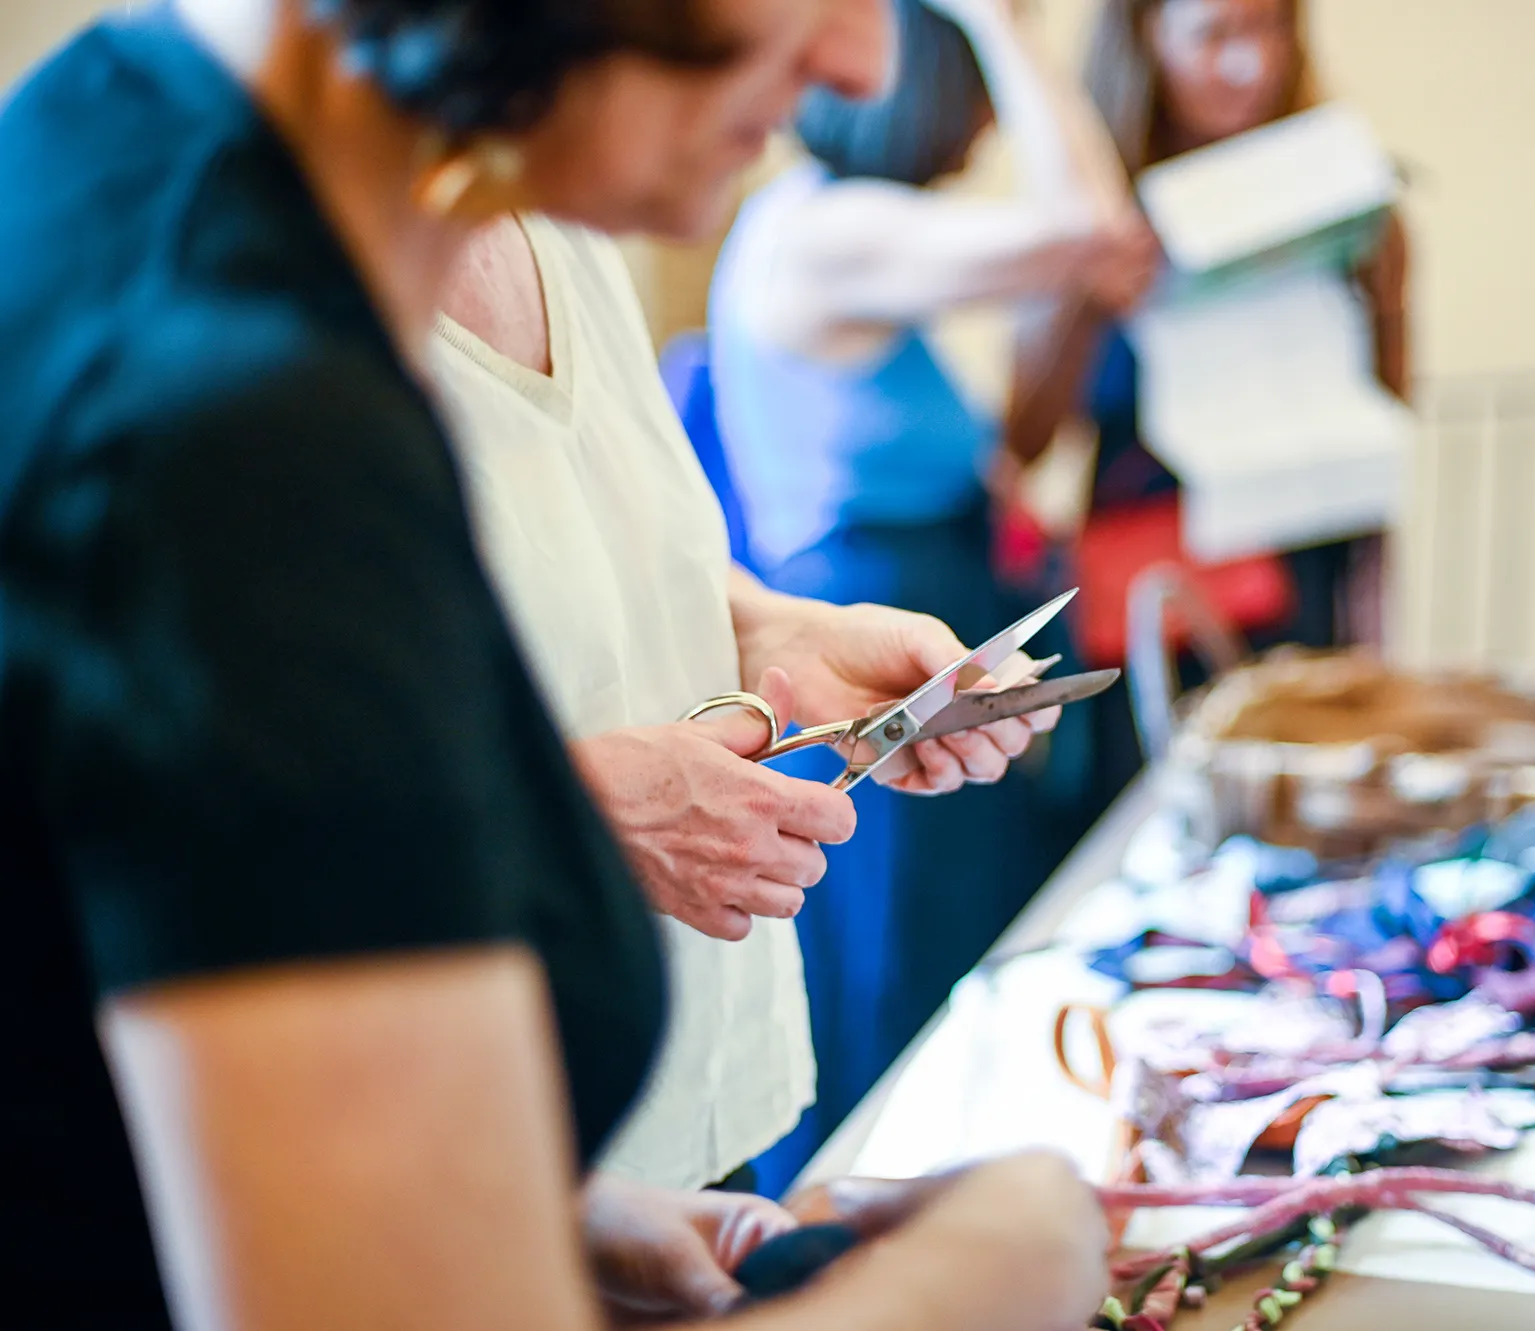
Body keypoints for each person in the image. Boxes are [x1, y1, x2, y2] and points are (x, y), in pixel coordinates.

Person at [0, 0, 1108, 1326]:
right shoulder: (230, 418)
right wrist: (997, 1271)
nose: (862, 63)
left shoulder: (184, 139)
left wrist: (566, 1212)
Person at [430, 204, 1059, 1197]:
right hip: (486, 1149)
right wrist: (577, 809)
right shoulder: (254, 287)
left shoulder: (575, 226)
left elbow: (619, 552)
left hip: (698, 1079)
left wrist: (787, 635)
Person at [705, 0, 1156, 1166]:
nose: (976, 137)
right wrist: (1003, 23)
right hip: (854, 625)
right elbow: (1088, 224)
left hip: (907, 593)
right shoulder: (824, 228)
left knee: (936, 957)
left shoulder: (833, 229)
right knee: (899, 974)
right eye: (969, 100)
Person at [1005, 0, 1411, 801]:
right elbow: (1025, 437)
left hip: (1304, 586)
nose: (1249, 64)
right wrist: (1087, 288)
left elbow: (1388, 420)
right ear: (1144, 39)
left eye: (1269, 29)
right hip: (1154, 604)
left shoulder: (1352, 200)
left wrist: (1376, 628)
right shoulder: (1095, 216)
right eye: (1215, 35)